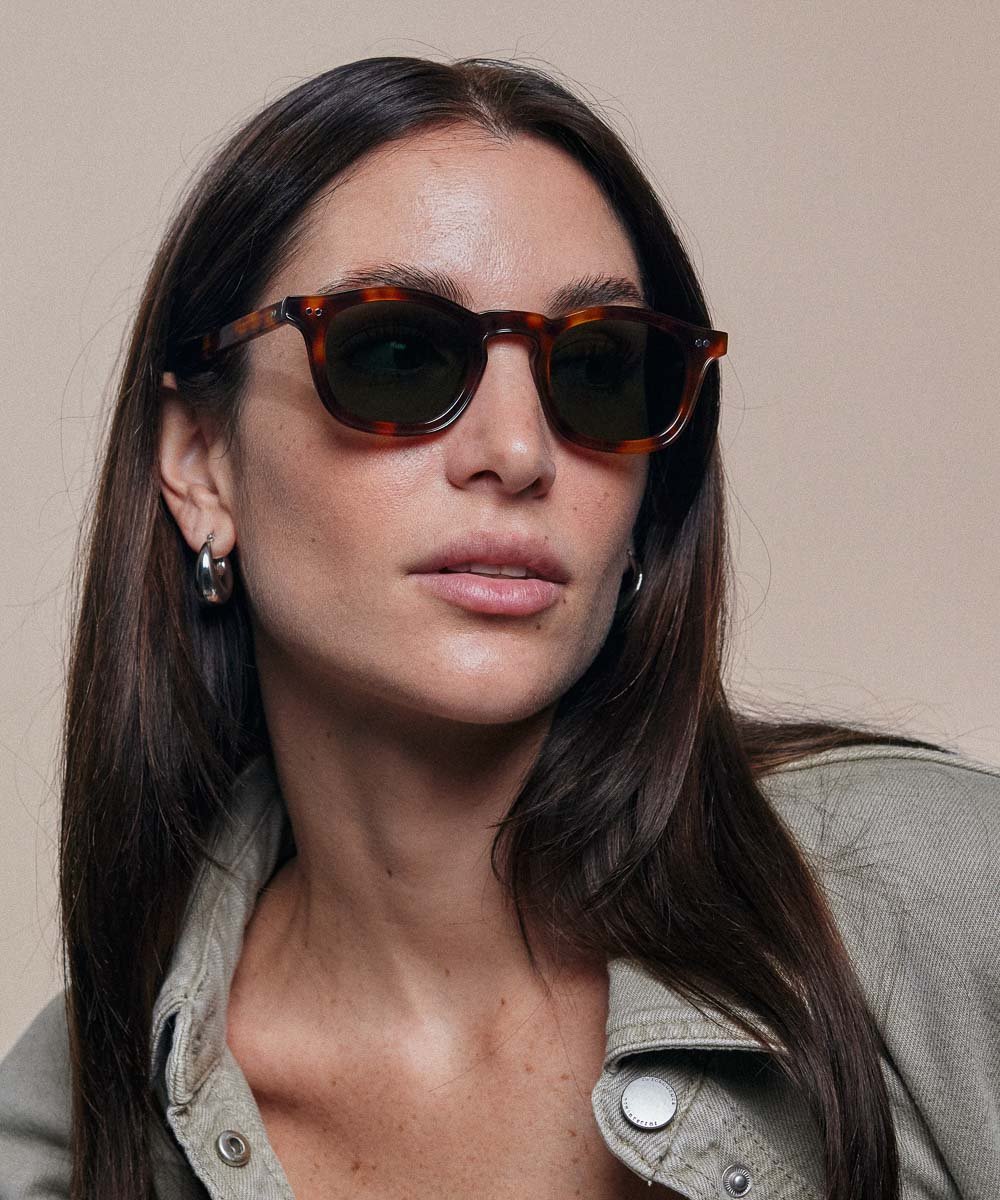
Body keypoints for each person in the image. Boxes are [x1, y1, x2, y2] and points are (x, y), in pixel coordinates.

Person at [1, 53, 997, 1200]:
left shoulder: (938, 898)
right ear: (200, 461)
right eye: (395, 353)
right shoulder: (72, 1133)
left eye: (598, 370)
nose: (520, 454)